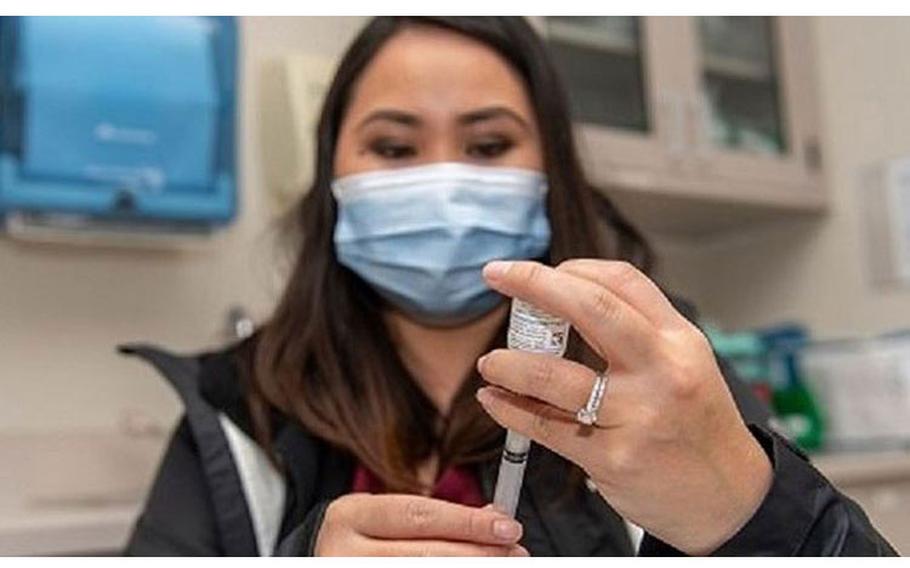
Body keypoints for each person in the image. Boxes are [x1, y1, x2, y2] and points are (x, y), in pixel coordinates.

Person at [123, 16, 896, 556]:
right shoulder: (238, 406)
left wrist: (748, 512)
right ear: (332, 178)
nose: (445, 181)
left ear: (549, 173)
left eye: (489, 144)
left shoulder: (655, 373)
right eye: (393, 146)